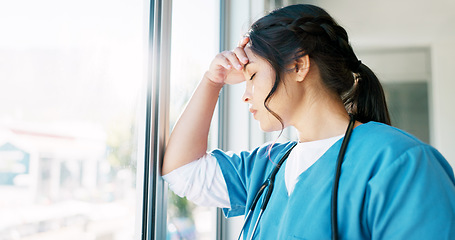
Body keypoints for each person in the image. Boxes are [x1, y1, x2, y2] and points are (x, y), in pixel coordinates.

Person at [162, 4, 455, 240]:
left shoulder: (403, 163)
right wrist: (212, 81)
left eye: (251, 76)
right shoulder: (267, 166)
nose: (245, 95)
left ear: (299, 65)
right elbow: (182, 171)